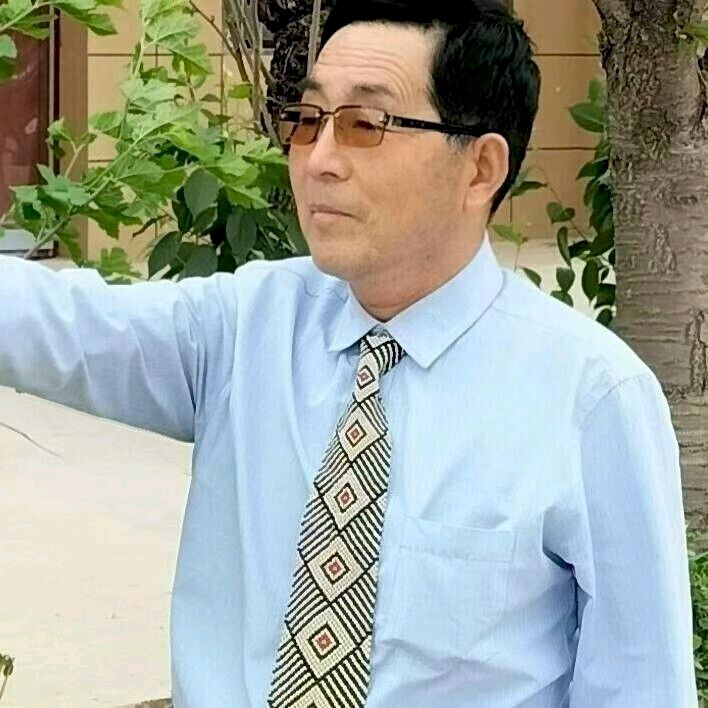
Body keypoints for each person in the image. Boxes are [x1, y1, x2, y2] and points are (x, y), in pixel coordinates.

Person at [0, 0, 698, 705]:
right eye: (309, 121)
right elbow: (51, 323)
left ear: (481, 168)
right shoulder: (243, 330)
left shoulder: (590, 397)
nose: (320, 161)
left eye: (367, 124)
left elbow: (640, 685)